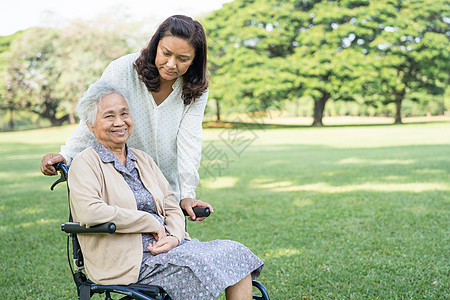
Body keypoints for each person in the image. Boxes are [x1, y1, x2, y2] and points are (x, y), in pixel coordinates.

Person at [69, 81, 263, 300]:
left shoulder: (142, 160)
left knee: (233, 251)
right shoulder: (85, 164)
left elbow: (171, 204)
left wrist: (175, 238)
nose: (120, 122)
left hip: (168, 249)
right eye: (109, 116)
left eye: (124, 114)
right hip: (127, 261)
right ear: (90, 124)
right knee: (196, 268)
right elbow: (90, 212)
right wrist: (148, 221)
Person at [41, 15, 212, 220]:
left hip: (166, 189)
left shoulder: (196, 87)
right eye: (166, 53)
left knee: (172, 243)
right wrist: (67, 154)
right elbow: (94, 117)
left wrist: (187, 195)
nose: (171, 64)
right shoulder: (122, 69)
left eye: (183, 59)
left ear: (195, 60)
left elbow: (190, 140)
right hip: (123, 184)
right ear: (155, 45)